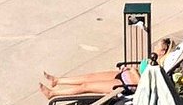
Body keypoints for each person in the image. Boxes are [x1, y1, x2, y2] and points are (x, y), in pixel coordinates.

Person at [40, 36, 172, 100]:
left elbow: (144, 84)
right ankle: (58, 80)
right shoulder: (153, 59)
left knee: (86, 86)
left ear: (163, 51)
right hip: (124, 74)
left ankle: (53, 94)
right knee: (89, 77)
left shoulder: (158, 68)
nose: (155, 47)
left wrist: (133, 71)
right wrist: (131, 69)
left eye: (158, 47)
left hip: (126, 84)